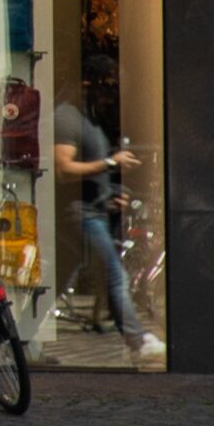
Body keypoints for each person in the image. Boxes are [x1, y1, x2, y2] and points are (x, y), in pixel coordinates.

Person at [55, 97, 161, 363]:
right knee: (115, 275)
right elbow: (63, 169)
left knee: (55, 282)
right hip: (79, 214)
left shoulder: (93, 121)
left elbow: (90, 172)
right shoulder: (67, 117)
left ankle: (13, 338)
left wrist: (110, 195)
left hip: (95, 210)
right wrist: (111, 163)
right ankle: (138, 341)